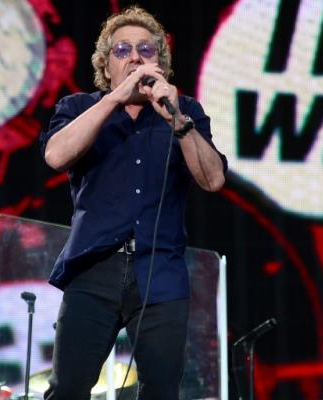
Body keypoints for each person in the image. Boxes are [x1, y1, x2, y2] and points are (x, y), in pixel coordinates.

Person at [39, 6, 226, 400]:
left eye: (147, 50)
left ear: (161, 64)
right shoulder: (78, 108)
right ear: (106, 67)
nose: (136, 57)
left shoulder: (185, 112)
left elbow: (213, 180)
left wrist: (178, 122)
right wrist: (114, 100)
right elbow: (56, 156)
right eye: (122, 50)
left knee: (161, 390)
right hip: (94, 269)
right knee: (68, 388)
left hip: (161, 270)